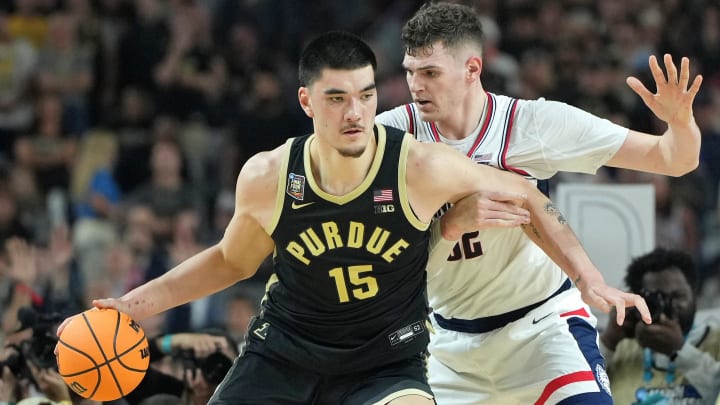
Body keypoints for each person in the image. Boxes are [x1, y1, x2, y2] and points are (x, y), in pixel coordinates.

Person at [57, 31, 645, 404]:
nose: (355, 112)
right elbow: (230, 262)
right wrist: (131, 307)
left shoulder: (419, 166)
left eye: (365, 96)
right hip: (283, 352)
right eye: (337, 98)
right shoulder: (269, 176)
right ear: (307, 102)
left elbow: (529, 195)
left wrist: (592, 281)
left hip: (385, 361)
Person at [375, 2, 702, 404]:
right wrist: (448, 225)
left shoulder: (535, 124)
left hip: (541, 328)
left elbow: (675, 159)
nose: (416, 85)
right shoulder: (389, 137)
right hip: (449, 345)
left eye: (430, 73)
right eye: (410, 71)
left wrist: (681, 122)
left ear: (472, 69)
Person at [600, 248, 720, 405]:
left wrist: (681, 351)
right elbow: (579, 387)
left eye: (678, 296)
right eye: (657, 298)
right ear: (636, 300)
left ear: (695, 296)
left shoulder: (715, 342)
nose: (669, 306)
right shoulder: (621, 346)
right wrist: (609, 340)